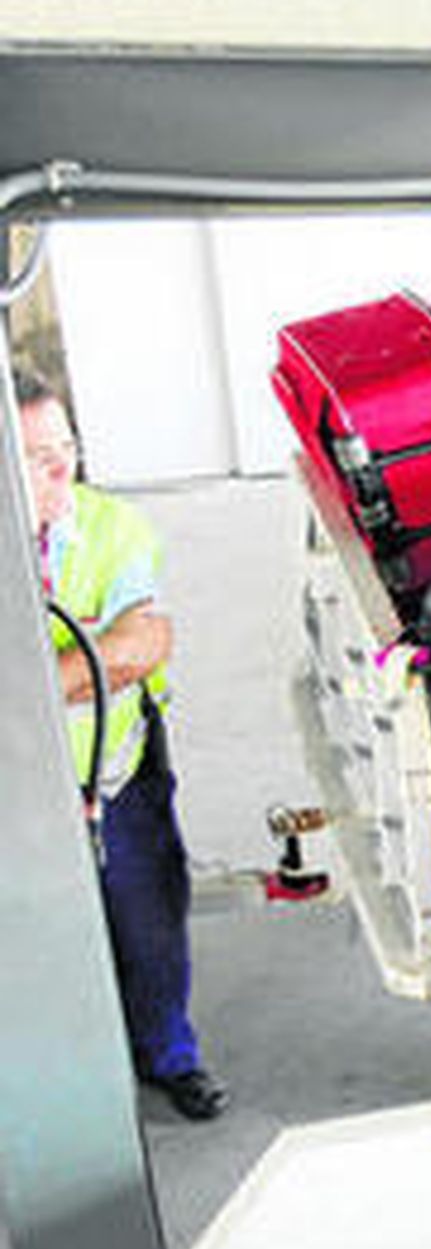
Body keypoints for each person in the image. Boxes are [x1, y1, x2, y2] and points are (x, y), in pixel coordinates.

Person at [17, 371, 229, 1120]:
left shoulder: (116, 530)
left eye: (64, 447)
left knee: (147, 921)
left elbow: (142, 644)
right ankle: (67, 1087)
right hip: (21, 790)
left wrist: (27, 685)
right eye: (35, 455)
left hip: (116, 775)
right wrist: (87, 664)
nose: (59, 469)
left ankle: (171, 1056)